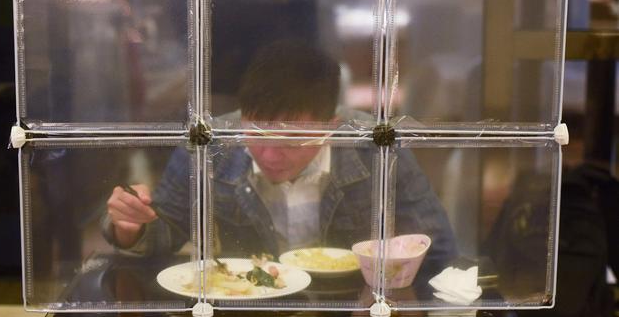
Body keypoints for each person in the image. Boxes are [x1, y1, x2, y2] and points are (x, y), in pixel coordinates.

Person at [102, 40, 457, 277]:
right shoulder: (209, 145)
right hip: (251, 302)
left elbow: (436, 245)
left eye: (291, 140)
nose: (271, 155)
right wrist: (131, 227)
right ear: (242, 118)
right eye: (256, 135)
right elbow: (167, 230)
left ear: (330, 127)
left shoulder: (376, 147)